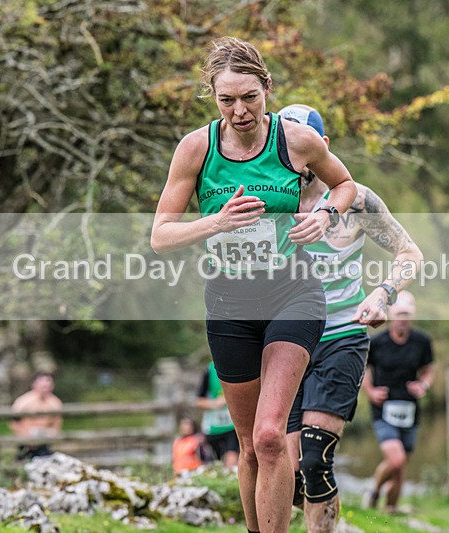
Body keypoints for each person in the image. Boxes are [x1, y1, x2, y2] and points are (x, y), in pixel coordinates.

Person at [150, 36, 357, 533]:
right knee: (247, 446)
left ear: (267, 88)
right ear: (213, 97)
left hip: (293, 294)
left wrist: (325, 214)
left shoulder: (296, 141)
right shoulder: (196, 149)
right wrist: (215, 223)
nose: (240, 111)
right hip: (230, 304)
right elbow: (160, 235)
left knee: (269, 436)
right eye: (227, 100)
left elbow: (345, 184)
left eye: (249, 97)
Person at [277, 104, 422, 533]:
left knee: (315, 459)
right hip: (283, 341)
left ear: (322, 146)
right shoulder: (268, 198)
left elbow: (409, 252)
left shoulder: (355, 200)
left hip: (341, 337)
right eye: (284, 146)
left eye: (301, 146)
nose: (293, 157)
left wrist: (383, 293)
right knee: (286, 468)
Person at [361, 291, 433, 513]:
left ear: (412, 316)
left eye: (406, 314)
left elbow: (428, 371)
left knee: (401, 469)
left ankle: (389, 511)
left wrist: (423, 385)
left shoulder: (422, 341)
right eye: (399, 314)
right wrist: (370, 391)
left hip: (410, 409)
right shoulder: (377, 342)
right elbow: (364, 369)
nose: (403, 319)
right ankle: (374, 490)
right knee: (397, 460)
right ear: (391, 315)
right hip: (383, 409)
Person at [10, 372, 63, 460]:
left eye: (48, 385)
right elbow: (15, 422)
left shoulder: (55, 403)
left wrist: (52, 435)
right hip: (26, 438)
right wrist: (25, 437)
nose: (45, 388)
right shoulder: (23, 402)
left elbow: (57, 423)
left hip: (45, 438)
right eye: (42, 385)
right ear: (34, 385)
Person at [197, 361, 239, 468]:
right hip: (213, 427)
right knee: (216, 462)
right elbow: (199, 401)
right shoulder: (209, 370)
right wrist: (214, 404)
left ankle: (230, 475)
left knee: (231, 457)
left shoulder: (237, 365)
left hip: (232, 425)